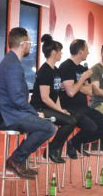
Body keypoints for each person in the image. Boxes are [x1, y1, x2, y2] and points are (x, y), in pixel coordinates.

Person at [0, 27, 56, 179]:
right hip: (7, 116)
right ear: (23, 43)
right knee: (49, 127)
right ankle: (16, 159)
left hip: (10, 113)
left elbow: (17, 98)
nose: (30, 46)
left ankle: (20, 160)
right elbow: (17, 99)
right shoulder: (12, 65)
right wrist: (33, 113)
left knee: (41, 125)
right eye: (29, 43)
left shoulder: (10, 61)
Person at [59, 39, 103, 159]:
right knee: (92, 127)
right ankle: (74, 144)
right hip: (70, 108)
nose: (88, 52)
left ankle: (75, 143)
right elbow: (70, 93)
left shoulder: (83, 68)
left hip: (84, 107)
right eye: (86, 50)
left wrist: (75, 85)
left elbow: (89, 90)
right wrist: (81, 81)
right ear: (80, 51)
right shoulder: (66, 66)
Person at [30, 34, 77, 163]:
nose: (62, 53)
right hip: (40, 108)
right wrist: (60, 111)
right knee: (70, 121)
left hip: (50, 107)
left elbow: (55, 95)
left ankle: (54, 148)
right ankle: (53, 149)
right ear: (54, 53)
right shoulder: (44, 71)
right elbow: (45, 98)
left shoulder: (55, 70)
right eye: (60, 51)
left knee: (72, 119)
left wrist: (61, 109)